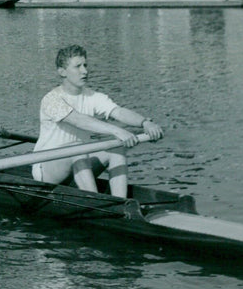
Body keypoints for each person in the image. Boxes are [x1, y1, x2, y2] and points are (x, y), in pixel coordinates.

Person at [31, 45, 163, 197]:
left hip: (79, 161)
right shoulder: (51, 100)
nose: (85, 71)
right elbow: (78, 120)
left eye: (85, 65)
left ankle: (120, 203)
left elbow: (118, 112)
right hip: (47, 170)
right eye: (78, 66)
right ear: (62, 72)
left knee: (116, 147)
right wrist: (117, 130)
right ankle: (96, 203)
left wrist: (145, 123)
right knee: (78, 150)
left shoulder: (92, 96)